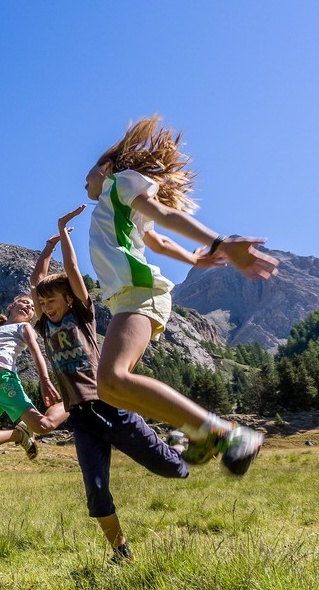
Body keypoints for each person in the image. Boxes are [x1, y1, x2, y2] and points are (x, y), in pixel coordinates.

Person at [84, 116, 278, 474]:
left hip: (140, 291)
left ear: (108, 166)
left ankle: (223, 433)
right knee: (109, 387)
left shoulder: (121, 182)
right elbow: (157, 240)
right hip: (128, 296)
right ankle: (202, 433)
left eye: (90, 172)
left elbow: (164, 213)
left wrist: (220, 243)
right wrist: (193, 259)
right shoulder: (117, 204)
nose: (85, 181)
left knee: (112, 378)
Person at [32, 210, 189, 562]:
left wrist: (64, 234)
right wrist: (47, 247)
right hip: (80, 418)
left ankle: (180, 444)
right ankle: (121, 552)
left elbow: (72, 271)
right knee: (96, 490)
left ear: (68, 300)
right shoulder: (44, 326)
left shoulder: (82, 316)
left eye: (51, 301)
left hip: (110, 406)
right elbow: (36, 281)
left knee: (172, 469)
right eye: (42, 303)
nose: (46, 307)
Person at [0, 292, 62, 459]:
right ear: (11, 307)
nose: (29, 306)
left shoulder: (24, 327)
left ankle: (75, 401)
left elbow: (36, 352)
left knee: (43, 426)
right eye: (24, 302)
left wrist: (45, 380)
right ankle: (19, 434)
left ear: (31, 318)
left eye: (32, 308)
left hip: (4, 380)